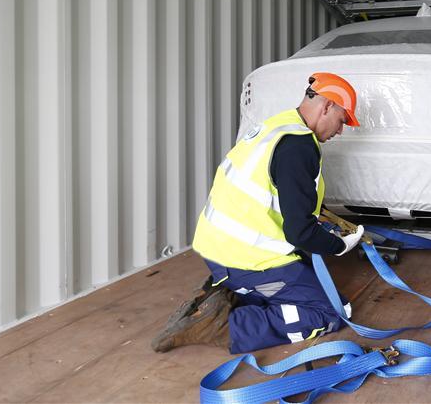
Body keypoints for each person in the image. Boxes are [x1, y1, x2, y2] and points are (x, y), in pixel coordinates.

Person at [151, 73, 365, 353]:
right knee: (331, 311)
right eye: (342, 120)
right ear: (327, 107)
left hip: (219, 250)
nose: (340, 130)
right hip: (247, 260)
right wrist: (338, 245)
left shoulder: (277, 127)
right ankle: (223, 325)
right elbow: (299, 233)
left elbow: (279, 197)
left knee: (307, 275)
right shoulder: (299, 147)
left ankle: (226, 293)